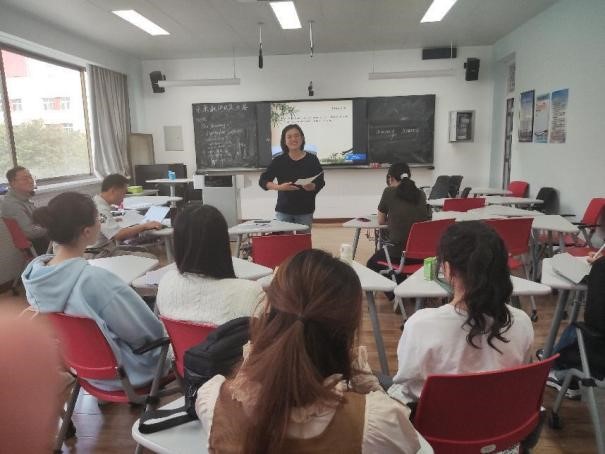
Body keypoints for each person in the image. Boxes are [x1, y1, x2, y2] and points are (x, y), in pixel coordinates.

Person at [196, 249, 432, 453]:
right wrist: (367, 381)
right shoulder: (377, 423)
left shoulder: (213, 401)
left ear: (271, 312)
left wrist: (255, 357)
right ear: (347, 331)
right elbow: (410, 445)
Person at [21, 191, 168, 391]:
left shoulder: (36, 277)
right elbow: (148, 334)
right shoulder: (95, 281)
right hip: (129, 372)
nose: (100, 223)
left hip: (82, 370)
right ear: (87, 232)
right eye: (98, 218)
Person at [388, 221, 534, 405]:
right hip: (499, 417)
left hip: (437, 421)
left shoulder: (420, 325)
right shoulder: (521, 322)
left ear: (447, 269)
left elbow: (407, 386)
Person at [157, 204, 265, 325]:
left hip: (180, 339)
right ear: (223, 242)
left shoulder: (167, 282)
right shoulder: (251, 293)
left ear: (178, 245)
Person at [547, 250, 605, 399]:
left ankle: (555, 368)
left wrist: (598, 269)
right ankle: (552, 356)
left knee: (576, 330)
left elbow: (594, 320)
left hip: (599, 358)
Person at [366, 162, 429, 276]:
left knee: (371, 263)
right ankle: (402, 282)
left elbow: (380, 220)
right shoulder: (421, 194)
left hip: (397, 255)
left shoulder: (388, 191)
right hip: (421, 255)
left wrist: (393, 220)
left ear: (390, 178)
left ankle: (397, 285)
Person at [258, 124, 325, 228]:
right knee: (284, 238)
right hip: (284, 210)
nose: (293, 139)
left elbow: (320, 181)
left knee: (303, 238)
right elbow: (263, 180)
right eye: (289, 137)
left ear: (302, 138)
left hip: (305, 209)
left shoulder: (312, 159)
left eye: (296, 135)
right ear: (284, 141)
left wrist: (312, 186)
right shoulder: (278, 161)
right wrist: (279, 187)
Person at [88, 173, 163, 257]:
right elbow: (118, 235)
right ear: (113, 191)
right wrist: (144, 226)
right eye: (123, 193)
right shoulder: (101, 208)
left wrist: (111, 220)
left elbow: (101, 221)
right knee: (150, 257)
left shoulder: (96, 202)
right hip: (98, 252)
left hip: (105, 248)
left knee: (143, 250)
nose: (124, 197)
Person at [1, 166, 50, 254]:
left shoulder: (22, 199)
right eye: (25, 178)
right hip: (39, 245)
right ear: (13, 183)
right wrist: (53, 227)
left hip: (41, 240)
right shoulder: (13, 204)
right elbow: (30, 232)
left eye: (30, 177)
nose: (30, 181)